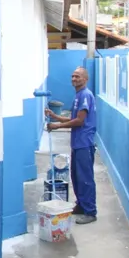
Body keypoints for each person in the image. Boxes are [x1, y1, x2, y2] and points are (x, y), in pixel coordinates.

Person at [45, 67, 97, 225]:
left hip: (84, 143)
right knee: (76, 177)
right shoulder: (78, 96)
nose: (74, 79)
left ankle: (90, 211)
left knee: (85, 178)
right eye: (73, 76)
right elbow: (72, 119)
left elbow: (79, 121)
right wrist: (54, 117)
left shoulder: (85, 95)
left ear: (85, 79)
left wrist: (57, 126)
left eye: (78, 76)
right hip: (77, 143)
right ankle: (81, 205)